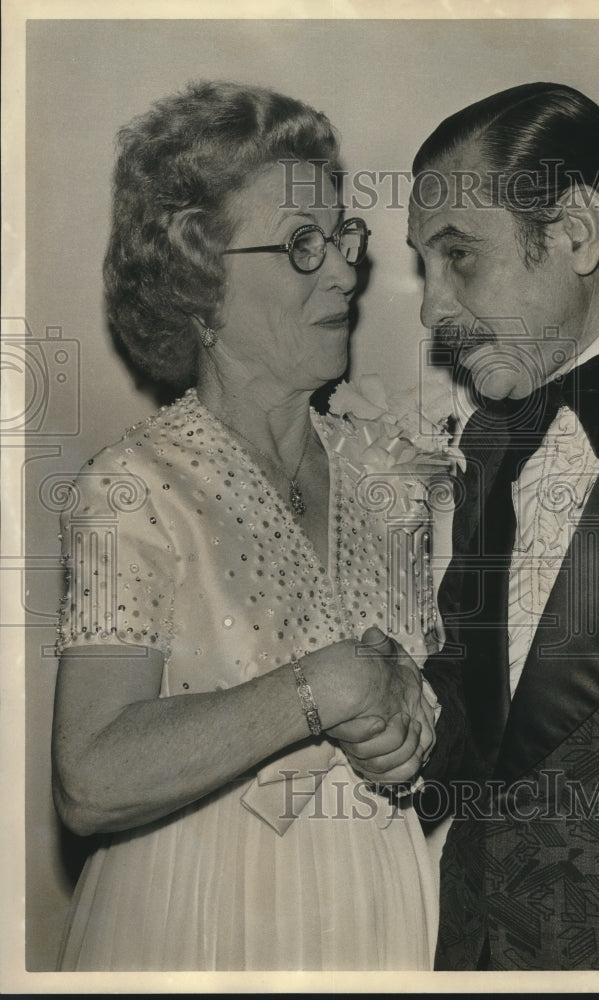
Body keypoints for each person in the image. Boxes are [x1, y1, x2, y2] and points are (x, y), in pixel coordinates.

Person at [345, 82, 599, 970]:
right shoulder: (494, 434)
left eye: (460, 257)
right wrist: (400, 721)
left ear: (576, 229)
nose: (432, 311)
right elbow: (482, 709)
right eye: (426, 265)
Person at [52, 79, 440, 971]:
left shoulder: (388, 471)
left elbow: (421, 715)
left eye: (342, 235)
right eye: (303, 244)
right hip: (203, 920)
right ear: (202, 287)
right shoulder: (135, 488)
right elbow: (90, 776)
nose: (346, 267)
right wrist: (320, 689)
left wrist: (411, 731)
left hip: (380, 912)